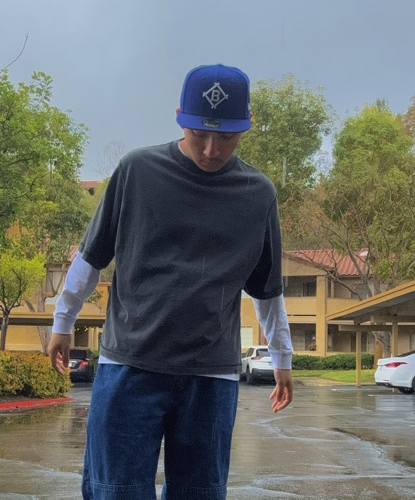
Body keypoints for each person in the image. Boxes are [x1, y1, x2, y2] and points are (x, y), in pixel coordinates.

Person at [48, 63, 293, 500]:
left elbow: (267, 290)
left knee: (200, 493)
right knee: (115, 491)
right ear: (180, 117)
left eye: (226, 137)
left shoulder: (258, 194)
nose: (212, 150)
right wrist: (63, 321)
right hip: (129, 364)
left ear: (247, 125)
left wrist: (282, 358)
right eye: (199, 134)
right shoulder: (137, 171)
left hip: (210, 376)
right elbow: (91, 255)